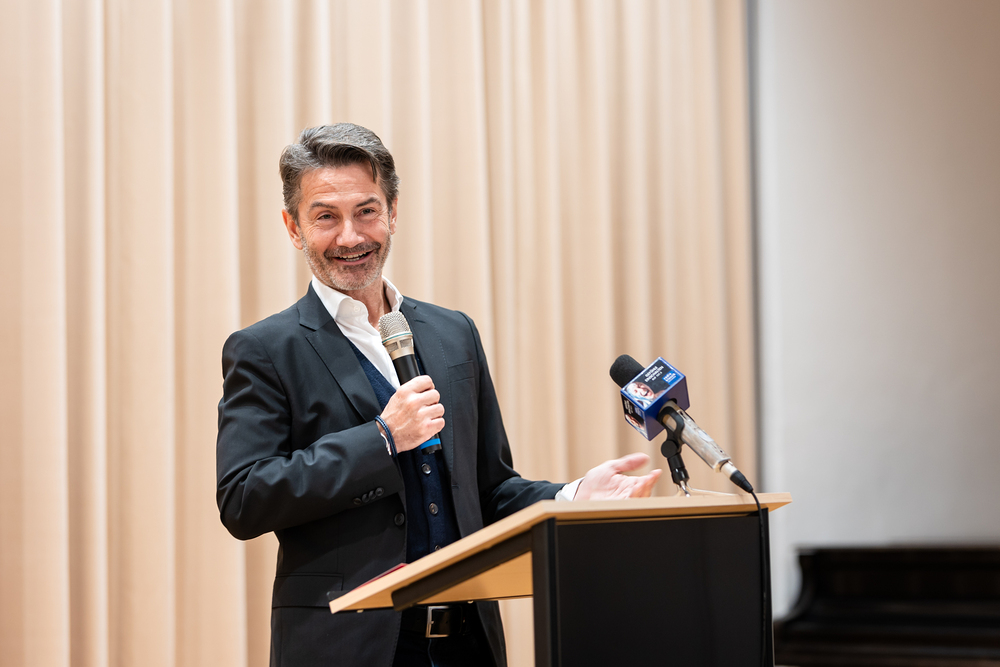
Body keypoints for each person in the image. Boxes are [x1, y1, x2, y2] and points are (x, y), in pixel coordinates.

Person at [216, 123, 661, 667]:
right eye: (326, 216)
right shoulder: (265, 349)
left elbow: (488, 489)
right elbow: (243, 499)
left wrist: (571, 498)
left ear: (393, 212)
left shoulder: (454, 333)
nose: (350, 237)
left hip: (468, 644)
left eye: (366, 211)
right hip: (346, 648)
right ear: (293, 227)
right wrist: (382, 438)